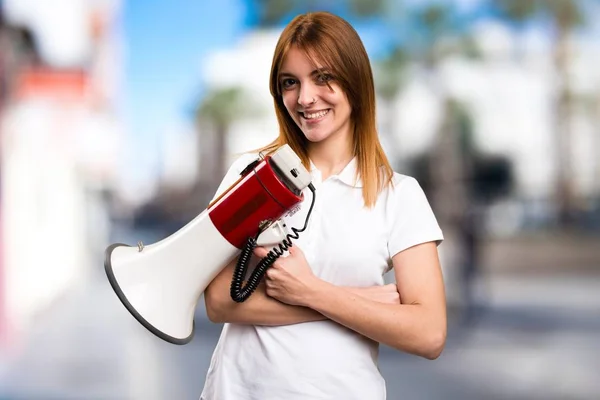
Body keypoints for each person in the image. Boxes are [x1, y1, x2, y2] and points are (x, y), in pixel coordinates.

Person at [200, 11, 446, 400]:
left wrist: (312, 291)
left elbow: (429, 333)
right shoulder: (250, 173)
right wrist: (360, 301)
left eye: (323, 77)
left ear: (355, 81)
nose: (305, 98)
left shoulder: (400, 195)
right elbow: (218, 302)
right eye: (290, 83)